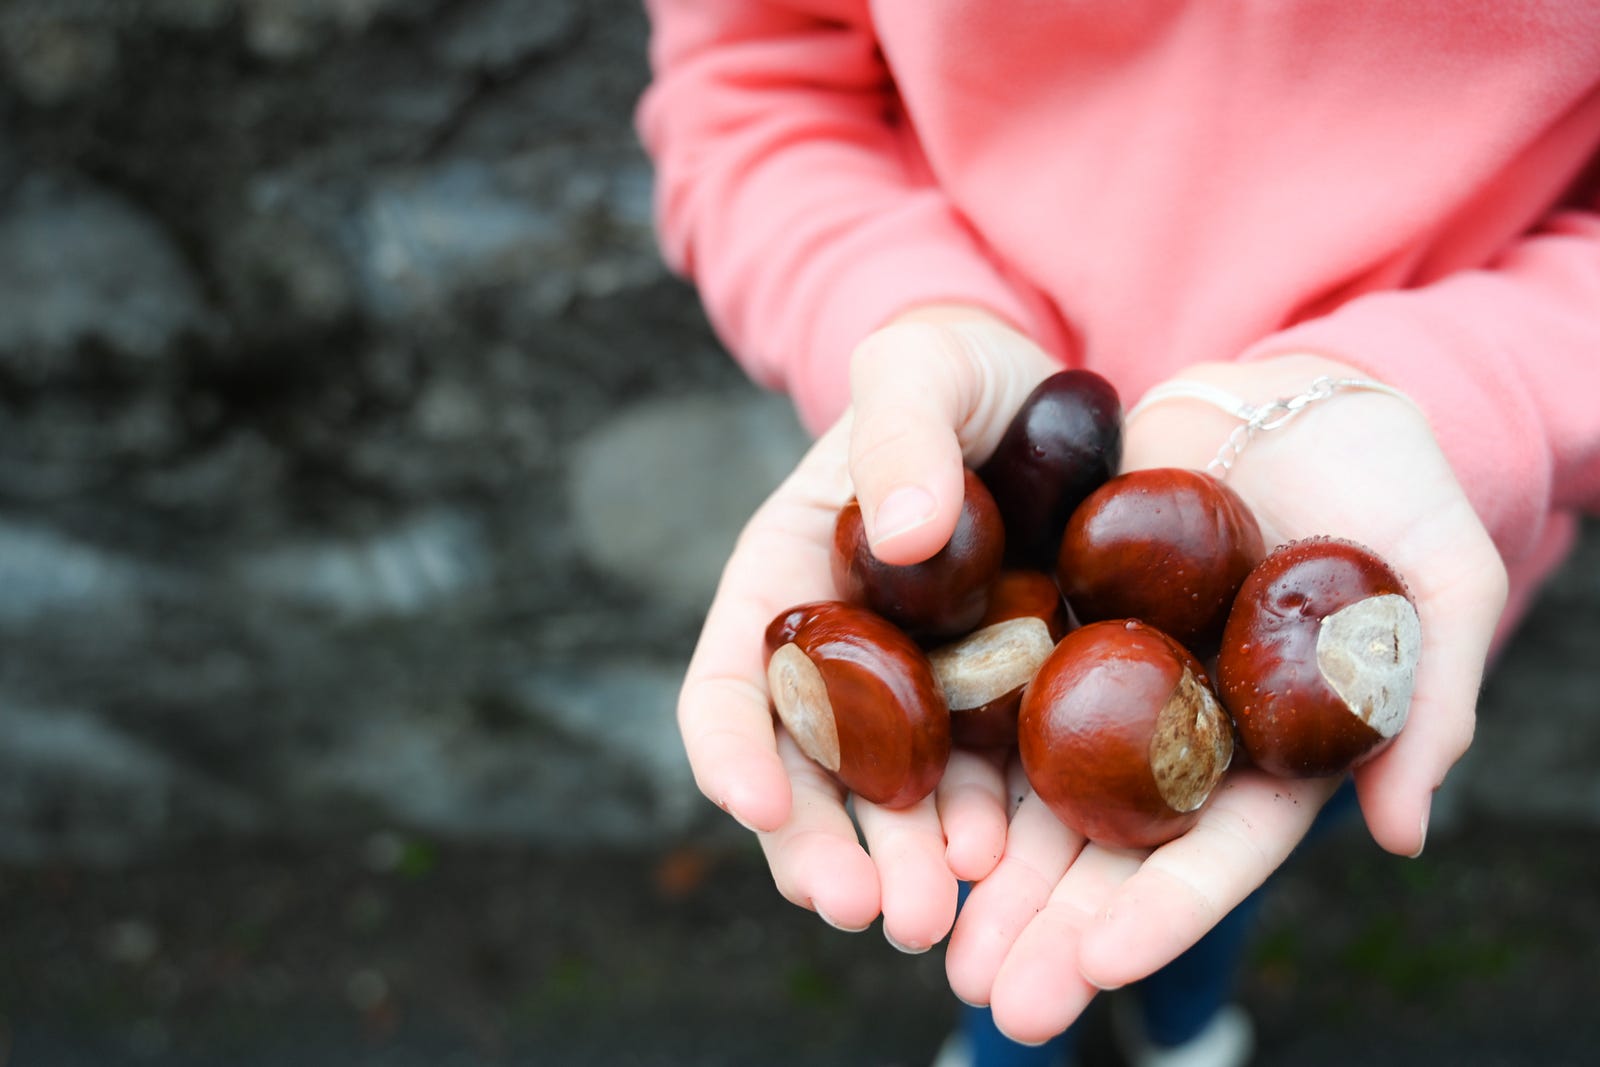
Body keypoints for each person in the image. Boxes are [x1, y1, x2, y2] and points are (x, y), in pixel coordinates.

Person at [635, 3, 1600, 1063]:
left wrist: (1455, 391)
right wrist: (905, 319)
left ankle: (1179, 1017)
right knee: (998, 881)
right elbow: (754, 85)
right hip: (1006, 513)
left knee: (1226, 854)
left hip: (1382, 515)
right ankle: (1018, 1042)